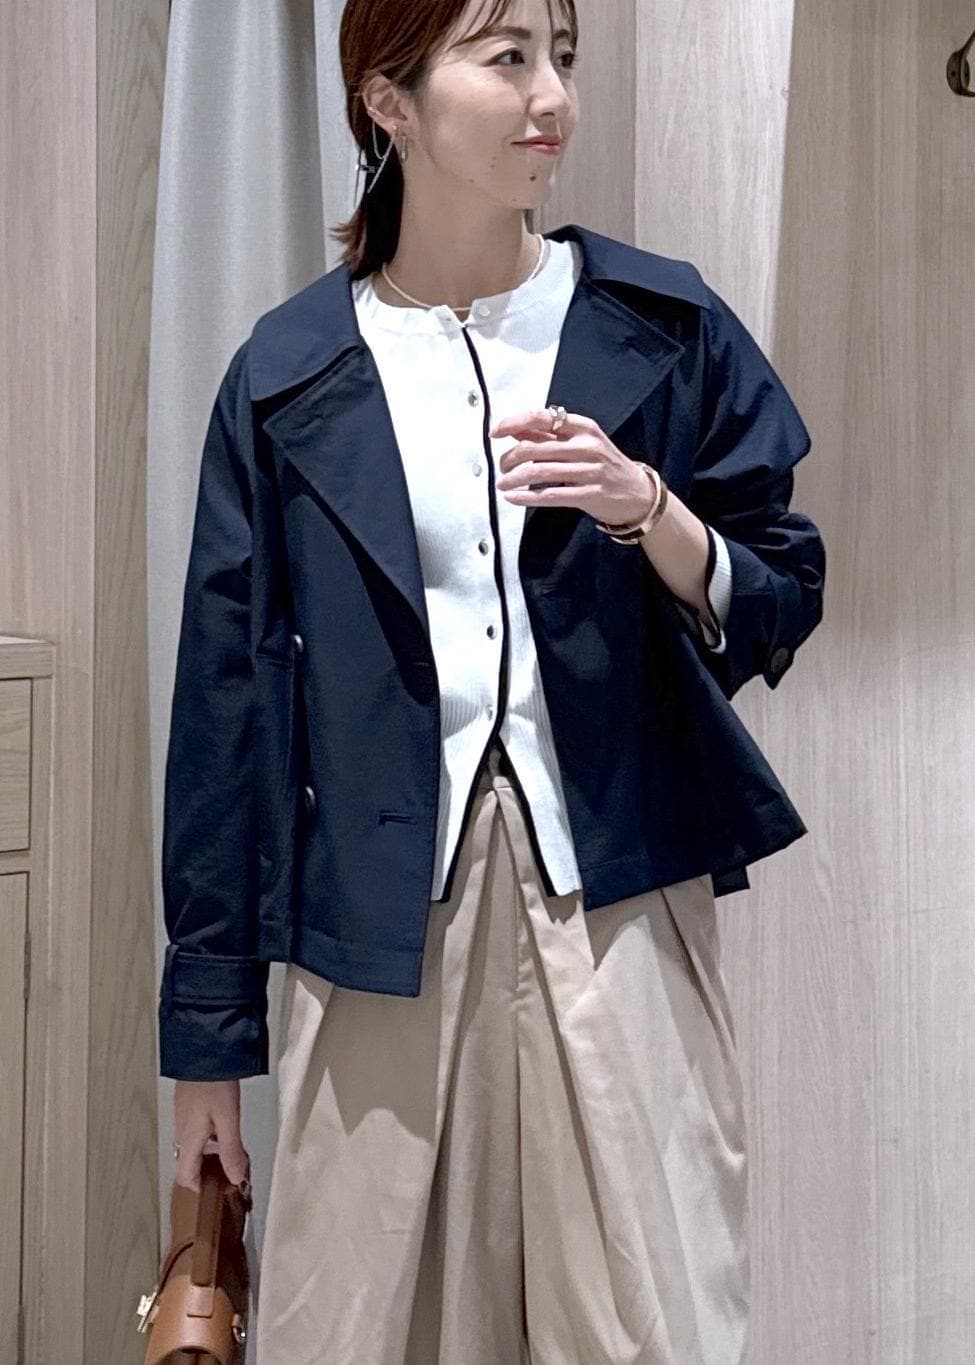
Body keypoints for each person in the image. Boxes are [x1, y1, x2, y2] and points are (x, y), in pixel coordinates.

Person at [159, 0, 826, 1360]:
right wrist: (207, 1047)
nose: (552, 97)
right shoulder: (287, 376)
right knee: (362, 1328)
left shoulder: (661, 323)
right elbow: (225, 714)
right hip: (374, 934)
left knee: (644, 1325)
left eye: (562, 55)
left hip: (619, 910)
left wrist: (651, 509)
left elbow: (782, 587)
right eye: (507, 56)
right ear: (388, 101)